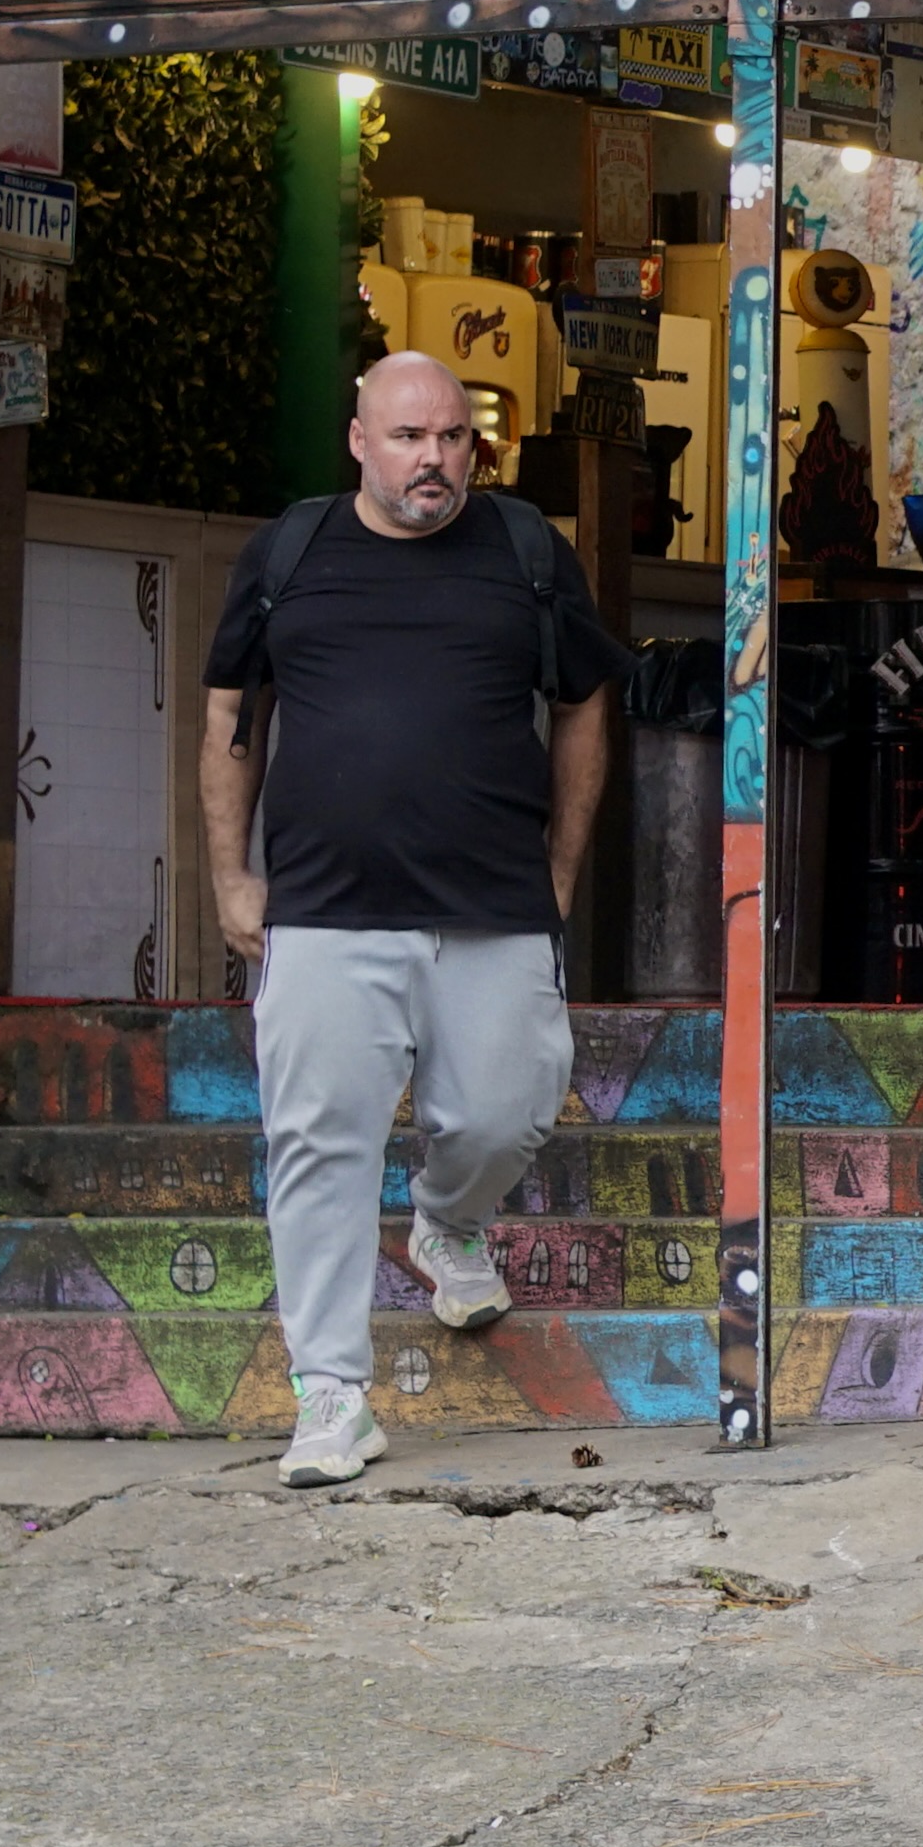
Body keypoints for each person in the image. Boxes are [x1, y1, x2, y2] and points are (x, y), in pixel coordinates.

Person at [206, 351, 619, 1492]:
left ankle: (444, 1221)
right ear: (359, 441)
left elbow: (585, 703)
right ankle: (332, 1397)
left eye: (451, 437)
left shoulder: (526, 551)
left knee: (506, 1110)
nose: (432, 459)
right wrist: (231, 877)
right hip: (323, 909)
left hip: (492, 904)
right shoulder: (288, 552)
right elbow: (231, 711)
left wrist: (561, 870)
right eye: (407, 437)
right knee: (317, 1147)